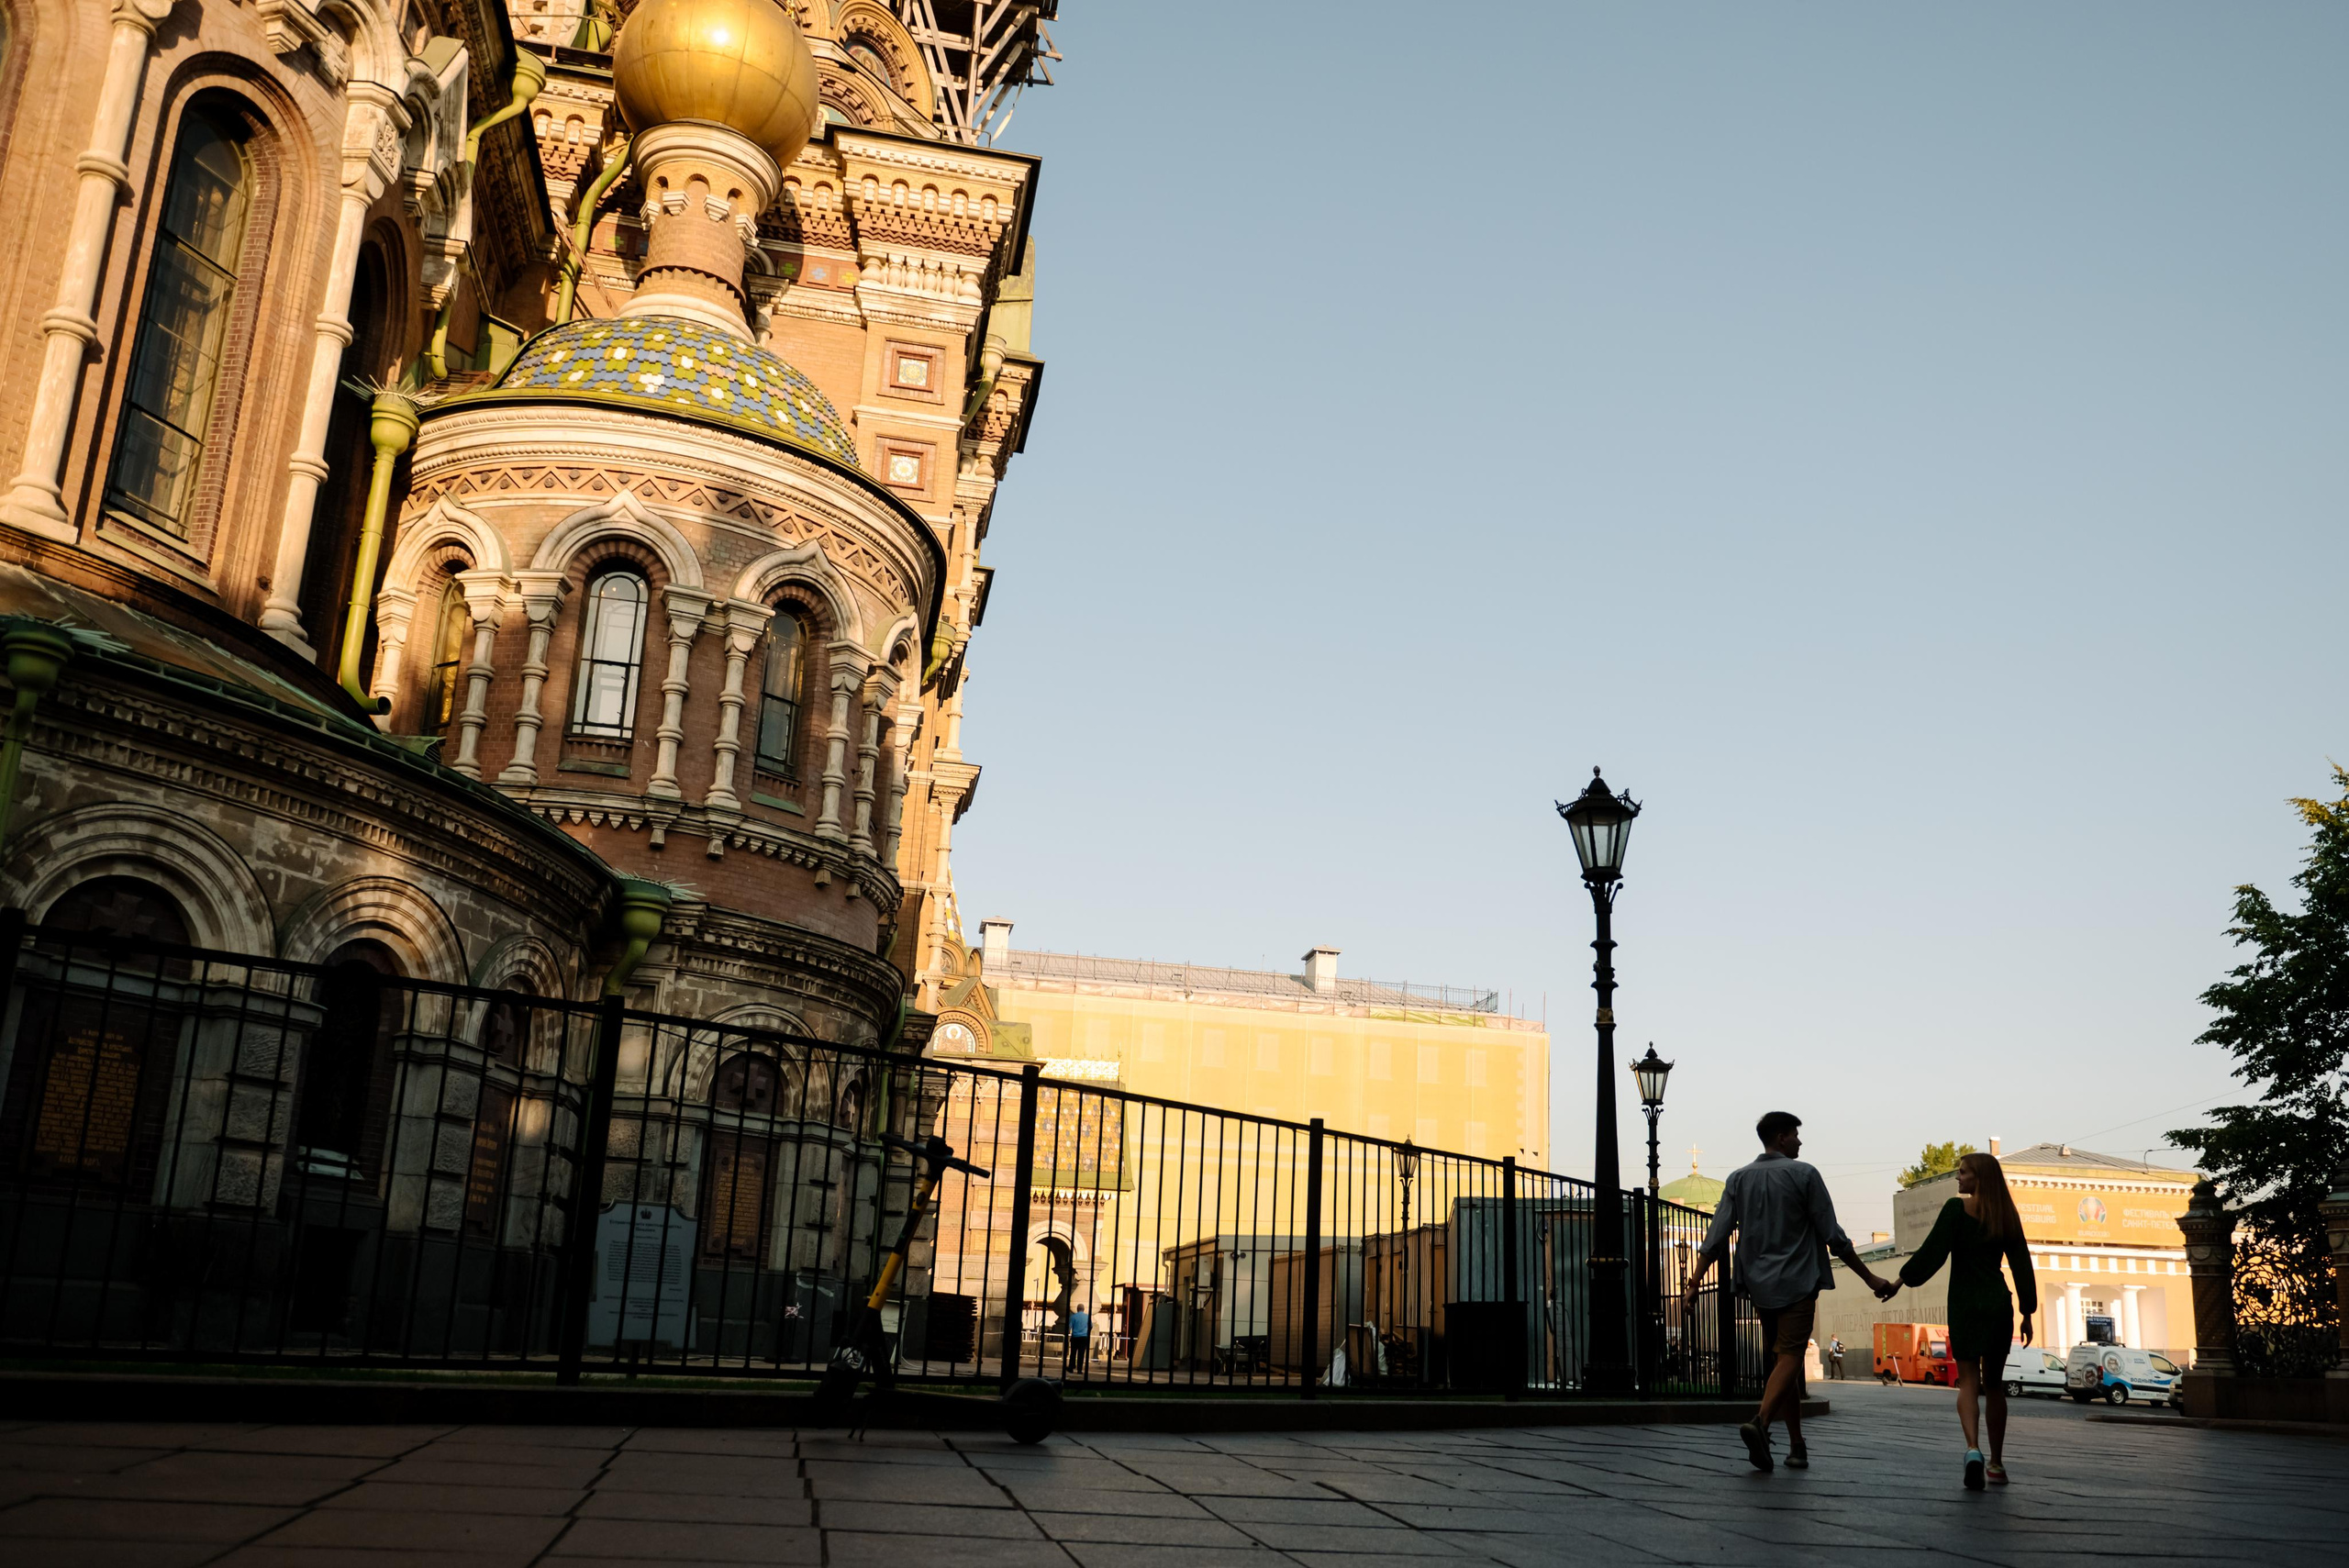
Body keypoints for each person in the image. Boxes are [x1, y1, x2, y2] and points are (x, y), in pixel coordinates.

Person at [1682, 1111, 1898, 1473]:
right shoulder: (1805, 1174)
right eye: (1795, 1135)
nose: (1800, 1141)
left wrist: (1692, 1284)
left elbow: (1715, 1238)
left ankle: (1797, 1446)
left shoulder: (1738, 1179)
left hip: (1758, 1285)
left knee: (1786, 1361)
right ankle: (1761, 1423)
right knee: (1791, 1357)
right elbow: (1833, 1235)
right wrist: (1870, 1279)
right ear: (1781, 1137)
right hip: (1797, 1282)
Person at [1881, 1151, 2037, 1491]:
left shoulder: (1955, 1210)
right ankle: (1996, 1463)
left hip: (1964, 1303)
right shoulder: (2006, 1214)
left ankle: (1972, 1451)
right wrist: (2028, 1312)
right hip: (1998, 1304)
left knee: (1968, 1382)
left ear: (1979, 1177)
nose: (1958, 1178)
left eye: (1963, 1173)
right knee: (1994, 1385)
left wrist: (1899, 1282)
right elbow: (2022, 1264)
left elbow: (1931, 1253)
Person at [1066, 1302, 1091, 1373]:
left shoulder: (1073, 1317)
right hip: (1084, 1337)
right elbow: (1091, 1326)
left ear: (1077, 1309)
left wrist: (1068, 1335)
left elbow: (1069, 1327)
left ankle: (1071, 1367)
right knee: (1081, 1354)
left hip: (1075, 1337)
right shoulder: (1087, 1317)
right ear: (1084, 1309)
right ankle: (1079, 1369)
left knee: (1073, 1353)